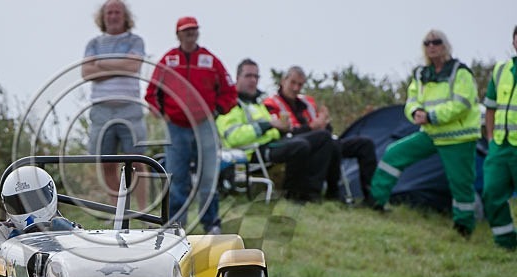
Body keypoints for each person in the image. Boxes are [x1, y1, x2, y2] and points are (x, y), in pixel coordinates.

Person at [369, 30, 480, 237]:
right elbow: (412, 99)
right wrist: (416, 112)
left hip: (458, 137)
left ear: (445, 45)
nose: (431, 46)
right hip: (431, 134)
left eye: (436, 42)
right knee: (394, 154)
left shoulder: (460, 72)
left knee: (460, 183)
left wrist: (432, 116)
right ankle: (376, 201)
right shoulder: (421, 74)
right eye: (427, 43)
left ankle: (464, 226)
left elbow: (462, 104)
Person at [145, 16, 237, 234]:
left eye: (194, 29)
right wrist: (164, 114)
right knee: (177, 177)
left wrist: (217, 111)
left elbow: (230, 92)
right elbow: (151, 93)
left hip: (205, 126)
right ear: (178, 34)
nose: (190, 33)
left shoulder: (210, 61)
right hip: (176, 128)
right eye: (186, 30)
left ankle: (211, 224)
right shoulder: (167, 61)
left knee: (208, 177)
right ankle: (176, 226)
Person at [216, 59, 335, 202]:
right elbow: (233, 137)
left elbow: (273, 128)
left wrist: (282, 128)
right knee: (300, 146)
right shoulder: (230, 104)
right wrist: (267, 126)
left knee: (323, 137)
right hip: (252, 151)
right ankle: (292, 194)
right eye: (248, 76)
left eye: (256, 76)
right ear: (237, 78)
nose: (253, 80)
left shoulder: (256, 103)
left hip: (273, 143)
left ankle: (313, 193)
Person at [264, 66, 378, 202]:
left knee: (364, 143)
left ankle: (372, 197)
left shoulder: (308, 102)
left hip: (325, 141)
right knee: (325, 139)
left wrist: (324, 124)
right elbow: (282, 132)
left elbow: (325, 128)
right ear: (283, 81)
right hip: (297, 144)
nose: (296, 88)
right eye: (293, 83)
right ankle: (324, 193)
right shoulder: (271, 104)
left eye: (300, 84)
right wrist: (313, 127)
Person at [82, 0, 148, 205]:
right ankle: (118, 211)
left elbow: (133, 67)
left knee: (137, 161)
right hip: (101, 110)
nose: (113, 16)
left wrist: (101, 63)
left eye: (117, 12)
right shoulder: (93, 44)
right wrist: (120, 65)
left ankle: (143, 212)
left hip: (130, 109)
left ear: (125, 16)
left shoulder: (135, 41)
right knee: (106, 164)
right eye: (109, 12)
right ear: (103, 17)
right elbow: (87, 72)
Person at [0, 166, 79, 255]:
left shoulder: (66, 227)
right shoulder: (1, 231)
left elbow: (85, 252)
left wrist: (70, 236)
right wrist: (9, 247)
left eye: (34, 200)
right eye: (19, 204)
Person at [481, 26, 517, 250]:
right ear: (513, 42)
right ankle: (506, 242)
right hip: (500, 146)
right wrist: (491, 137)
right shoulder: (501, 69)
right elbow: (491, 107)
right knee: (492, 192)